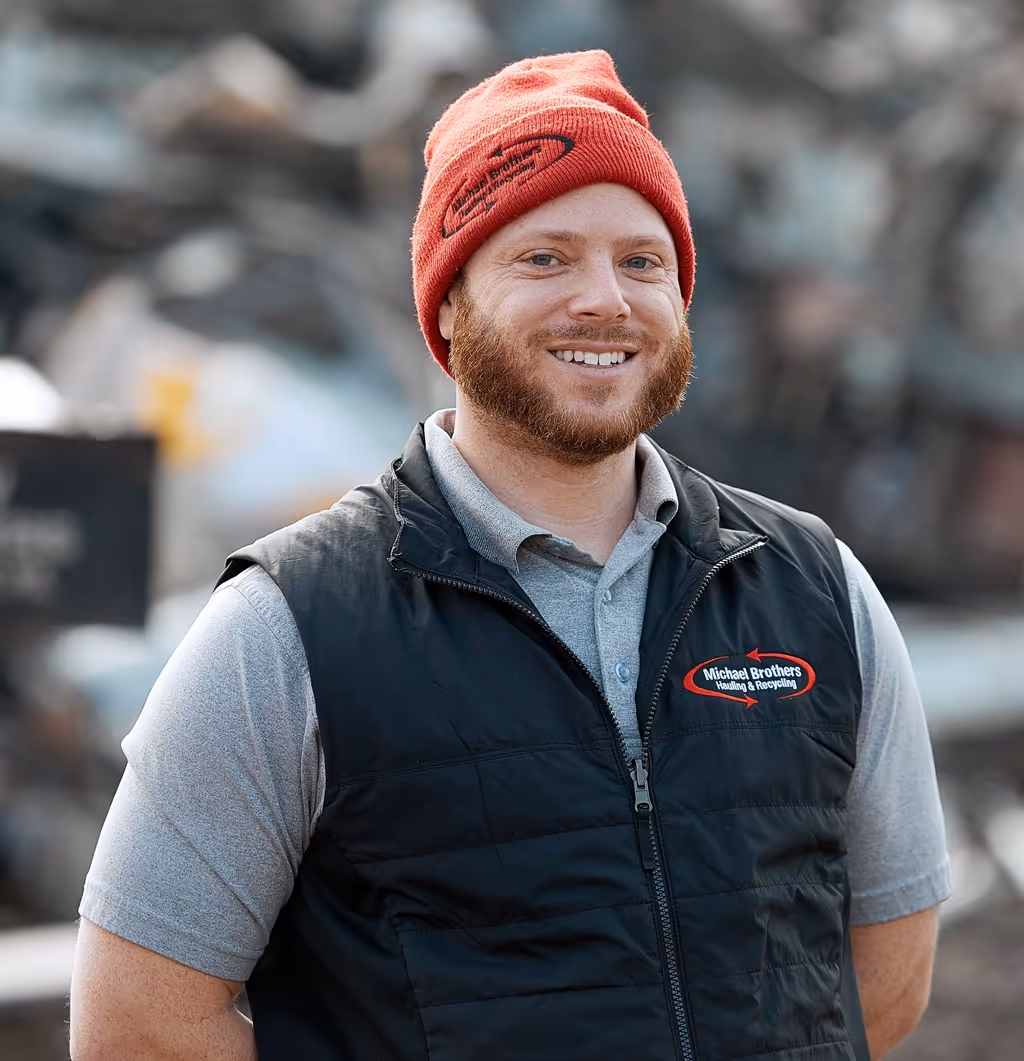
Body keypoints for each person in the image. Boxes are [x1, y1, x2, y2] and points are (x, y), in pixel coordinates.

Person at [71, 51, 951, 1061]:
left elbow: (879, 975)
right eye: (544, 258)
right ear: (448, 305)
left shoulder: (814, 586)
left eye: (641, 260)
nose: (604, 300)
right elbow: (137, 1023)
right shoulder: (290, 624)